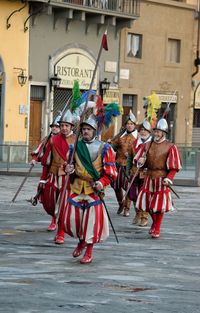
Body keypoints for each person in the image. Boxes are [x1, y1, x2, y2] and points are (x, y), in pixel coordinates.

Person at [63, 115, 117, 264]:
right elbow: (67, 164)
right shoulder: (75, 146)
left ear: (95, 131)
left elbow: (111, 173)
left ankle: (89, 250)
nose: (85, 131)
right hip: (77, 187)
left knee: (91, 222)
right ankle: (81, 241)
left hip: (93, 189)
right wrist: (68, 168)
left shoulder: (105, 148)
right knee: (74, 219)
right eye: (84, 129)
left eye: (88, 129)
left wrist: (102, 182)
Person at [134, 118, 182, 238]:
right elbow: (139, 162)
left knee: (159, 206)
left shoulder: (170, 146)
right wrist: (141, 161)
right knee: (148, 204)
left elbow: (174, 166)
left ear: (164, 133)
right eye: (155, 131)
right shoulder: (147, 145)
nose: (156, 133)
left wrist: (169, 178)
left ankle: (157, 227)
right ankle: (155, 224)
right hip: (148, 176)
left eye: (159, 132)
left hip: (162, 178)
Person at [40, 110, 75, 241]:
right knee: (52, 204)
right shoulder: (53, 140)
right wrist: (43, 179)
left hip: (68, 178)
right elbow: (46, 162)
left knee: (63, 206)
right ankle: (55, 223)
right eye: (62, 126)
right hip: (54, 177)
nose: (64, 128)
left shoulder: (77, 141)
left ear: (71, 126)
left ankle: (61, 233)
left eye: (67, 126)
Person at [110, 110, 138, 217]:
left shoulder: (138, 137)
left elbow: (142, 151)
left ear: (134, 125)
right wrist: (109, 144)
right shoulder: (121, 136)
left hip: (129, 166)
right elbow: (113, 146)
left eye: (131, 124)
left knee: (128, 187)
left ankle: (127, 208)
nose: (129, 126)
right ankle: (121, 204)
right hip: (118, 164)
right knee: (116, 186)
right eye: (128, 124)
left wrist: (132, 156)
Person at [126, 119, 152, 226]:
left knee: (144, 196)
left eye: (145, 130)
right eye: (141, 130)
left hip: (146, 174)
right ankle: (137, 212)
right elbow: (130, 158)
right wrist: (128, 171)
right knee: (132, 194)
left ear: (149, 132)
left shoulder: (152, 144)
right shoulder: (135, 142)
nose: (143, 132)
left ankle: (144, 216)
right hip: (134, 172)